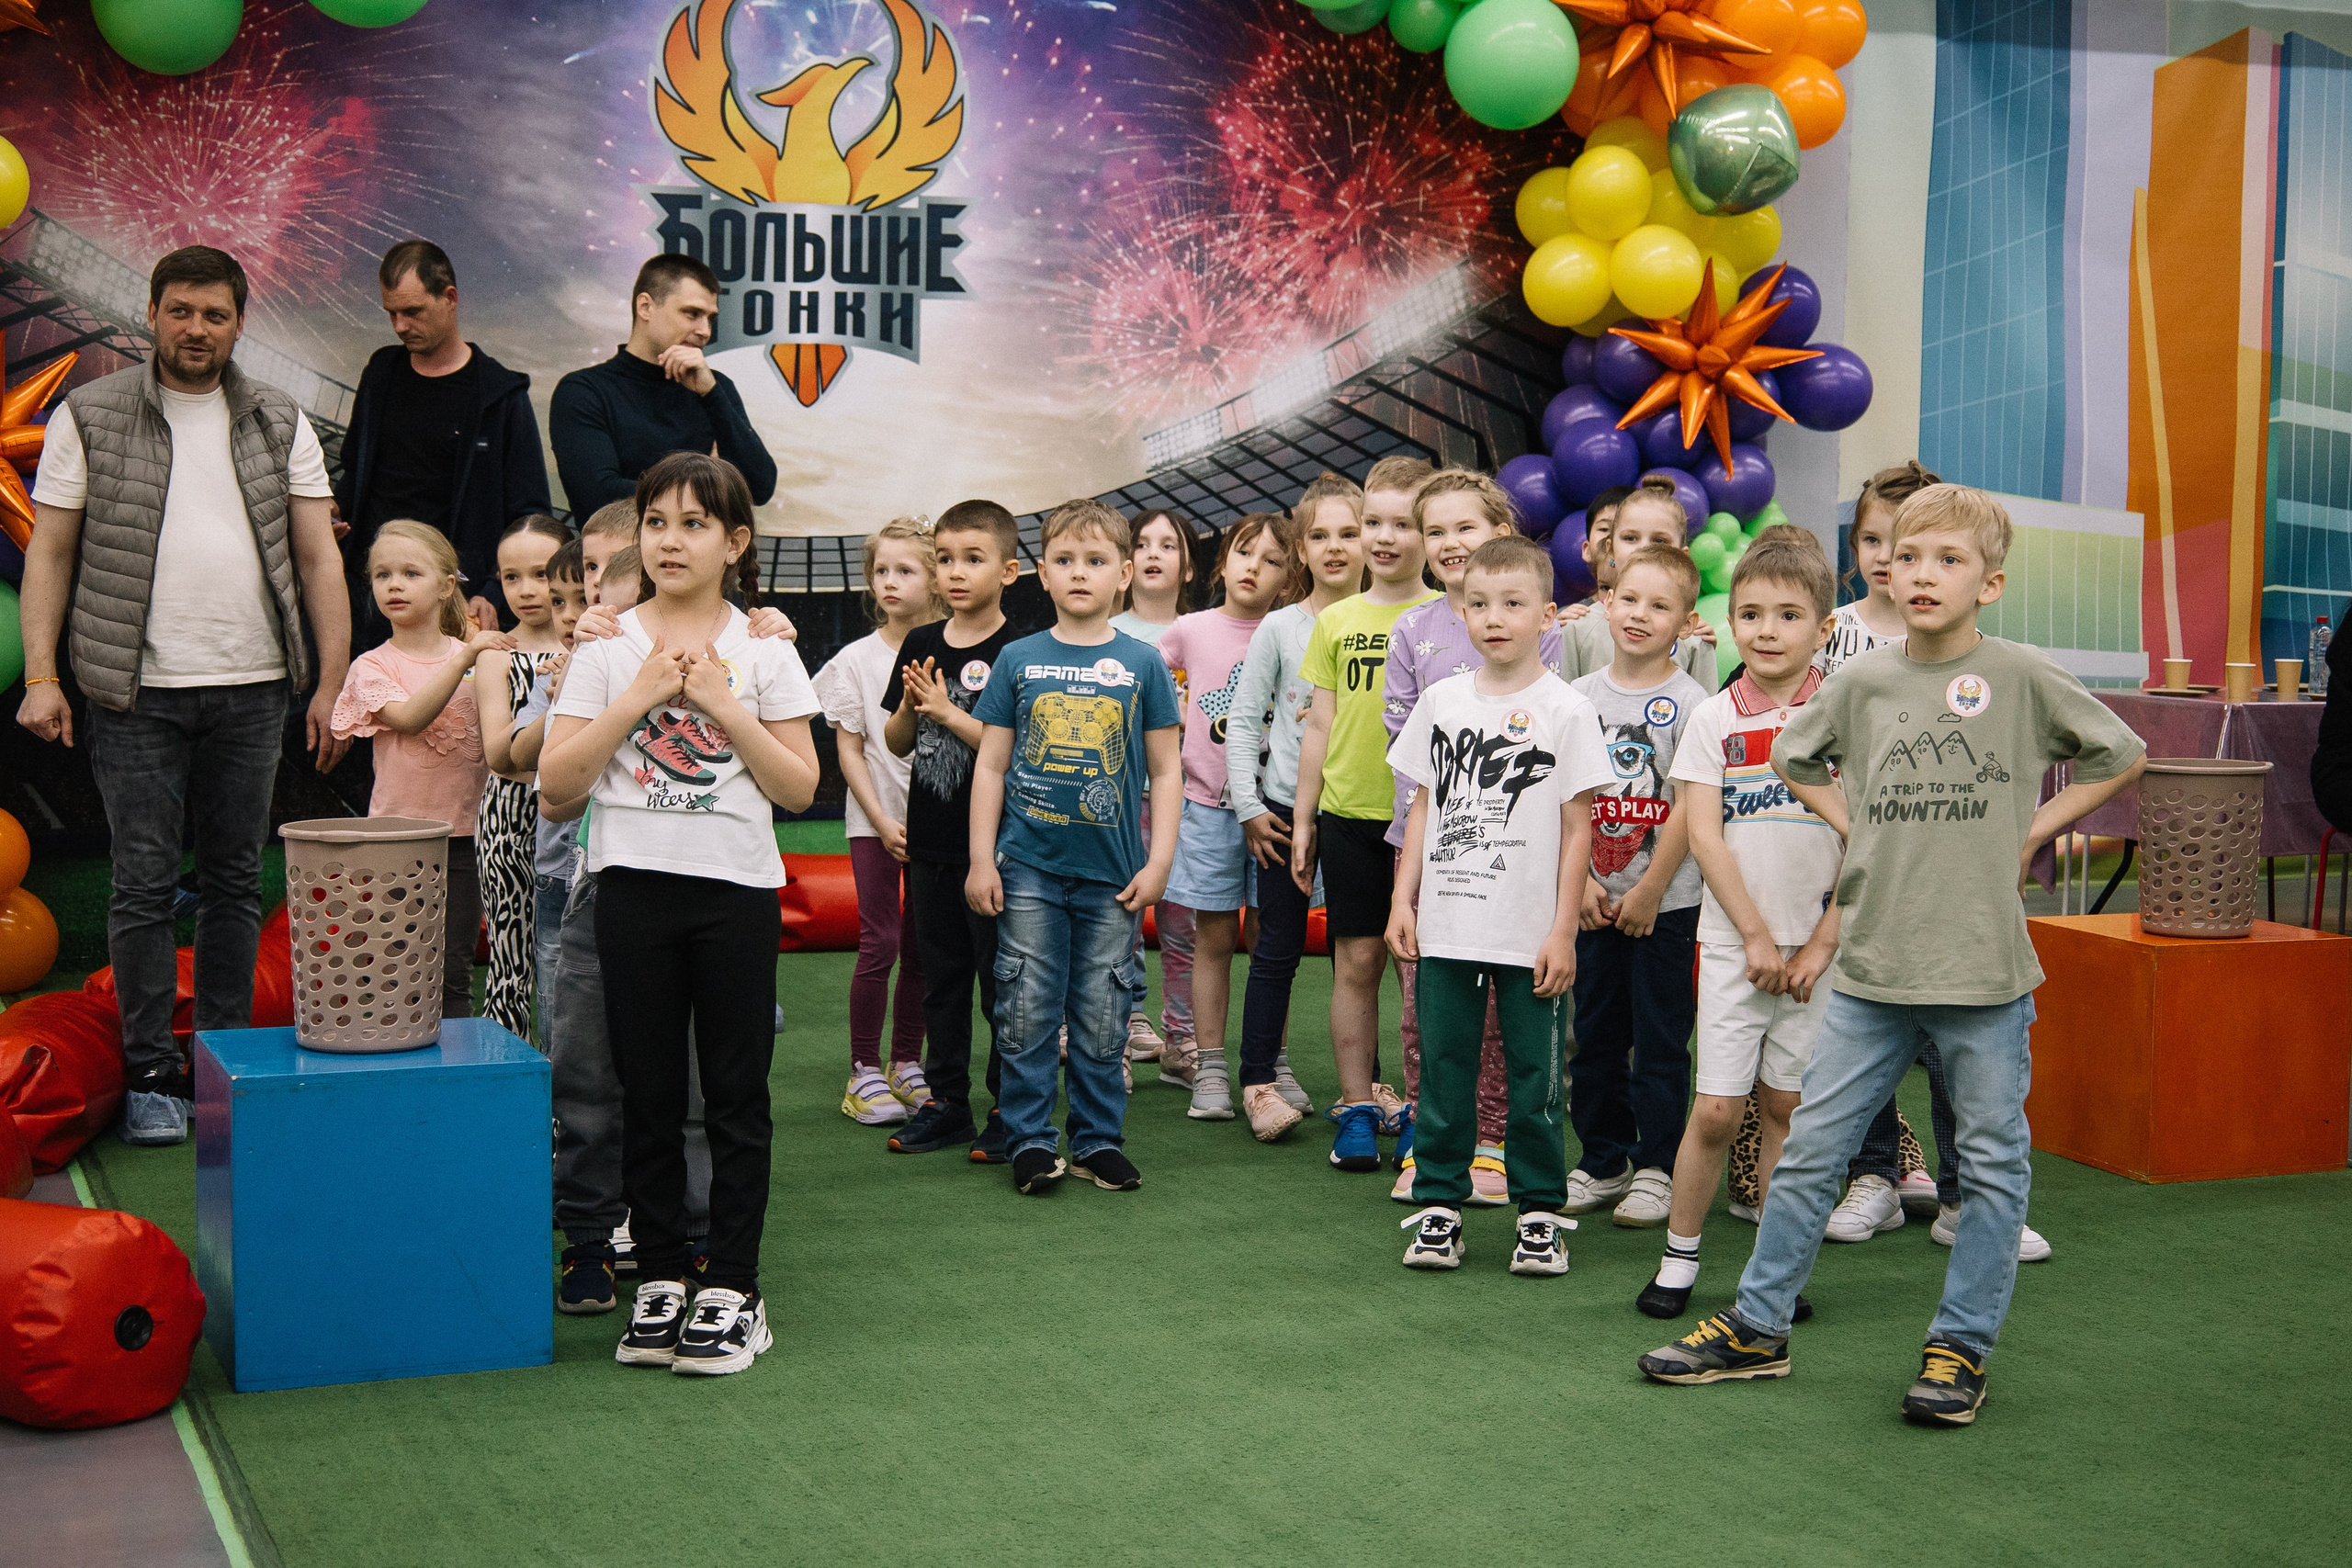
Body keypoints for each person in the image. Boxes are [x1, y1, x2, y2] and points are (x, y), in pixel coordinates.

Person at [1638, 484, 2147, 1427]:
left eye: (1948, 561)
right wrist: (1858, 825)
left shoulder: (2023, 675)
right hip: (1871, 971)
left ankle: (1960, 1349)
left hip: (1984, 971)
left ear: (1988, 583)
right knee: (1809, 1157)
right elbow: (1796, 758)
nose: (1922, 575)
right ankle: (1757, 1327)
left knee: (1992, 1168)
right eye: (1908, 557)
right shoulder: (1859, 683)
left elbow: (2119, 754)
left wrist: (2028, 832)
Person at [13, 244, 352, 1147]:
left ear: (238, 324)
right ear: (153, 314)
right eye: (181, 311)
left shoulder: (279, 418)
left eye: (214, 314)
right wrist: (42, 675)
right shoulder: (92, 413)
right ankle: (152, 1077)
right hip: (132, 694)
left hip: (253, 690)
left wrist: (333, 677)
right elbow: (49, 550)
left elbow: (320, 555)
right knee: (142, 887)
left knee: (238, 883)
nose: (196, 328)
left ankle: (224, 1067)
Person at [542, 452, 821, 1377]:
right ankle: (661, 1275)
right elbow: (555, 789)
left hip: (735, 893)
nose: (670, 539)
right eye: (656, 521)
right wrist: (636, 693)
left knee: (734, 1097)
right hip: (631, 891)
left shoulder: (768, 651)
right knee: (648, 1097)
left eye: (694, 524)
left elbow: (796, 786)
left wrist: (717, 702)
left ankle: (735, 1286)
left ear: (735, 542)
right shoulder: (605, 646)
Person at [1385, 535, 1612, 1274]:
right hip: (1448, 924)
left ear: (1547, 615)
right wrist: (1402, 899)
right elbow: (1421, 806)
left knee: (1535, 1079)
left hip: (1529, 935)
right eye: (1478, 603)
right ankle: (1441, 1208)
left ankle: (1541, 1211)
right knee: (1443, 1069)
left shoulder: (1568, 709)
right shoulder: (1444, 700)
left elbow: (1580, 829)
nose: (1494, 617)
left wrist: (1563, 929)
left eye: (1513, 603)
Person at [1637, 536, 1843, 1319]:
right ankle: (1680, 1259)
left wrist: (1821, 941)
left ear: (1821, 628)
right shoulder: (1711, 717)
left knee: (1788, 1110)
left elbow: (1868, 838)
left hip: (1818, 958)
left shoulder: (1843, 714)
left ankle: (1774, 1276)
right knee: (1718, 1111)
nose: (1766, 629)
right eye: (1750, 613)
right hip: (1733, 946)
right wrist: (1756, 935)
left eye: (1788, 615)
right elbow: (1704, 833)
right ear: (1728, 623)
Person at [967, 500, 1182, 1194]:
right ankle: (1029, 1138)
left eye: (1095, 561)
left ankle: (1096, 1139)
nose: (1079, 573)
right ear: (1041, 573)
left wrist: (1160, 862)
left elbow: (1167, 769)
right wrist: (980, 857)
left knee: (1103, 1011)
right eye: (1065, 560)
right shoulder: (1018, 660)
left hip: (1113, 875)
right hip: (1026, 866)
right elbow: (991, 764)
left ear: (1123, 574)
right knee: (1025, 1005)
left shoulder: (1143, 664)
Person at [1382, 469, 1568, 1206]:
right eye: (1436, 530)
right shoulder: (1415, 632)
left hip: (1518, 852)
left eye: (1467, 526)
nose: (1450, 542)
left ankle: (1492, 1144)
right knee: (1428, 1007)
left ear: (1503, 532)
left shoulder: (1547, 631)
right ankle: (1431, 1145)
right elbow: (1409, 739)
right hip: (1429, 844)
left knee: (1507, 1015)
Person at [1291, 454, 1439, 1173]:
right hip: (1349, 815)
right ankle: (1355, 1108)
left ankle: (1421, 1110)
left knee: (1422, 974)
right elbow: (1318, 725)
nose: (1383, 537)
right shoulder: (1337, 621)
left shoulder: (1451, 617)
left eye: (1401, 523)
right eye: (1370, 521)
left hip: (1429, 820)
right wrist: (1304, 816)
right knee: (1355, 961)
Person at [1565, 542, 1709, 1225]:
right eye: (1630, 598)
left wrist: (1651, 887)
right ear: (1606, 601)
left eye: (1661, 605)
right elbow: (1564, 800)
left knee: (1659, 1037)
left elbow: (1688, 805)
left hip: (1667, 905)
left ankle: (1657, 1164)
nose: (1641, 614)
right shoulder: (1577, 698)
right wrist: (1584, 883)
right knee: (1591, 1035)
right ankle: (1604, 1158)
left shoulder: (1693, 703)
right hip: (1589, 902)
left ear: (1686, 620)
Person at [883, 500, 1025, 1161]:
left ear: (1010, 569)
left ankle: (1008, 1107)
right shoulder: (920, 643)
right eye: (945, 559)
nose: (956, 572)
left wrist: (947, 707)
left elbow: (1016, 746)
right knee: (940, 977)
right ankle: (946, 1103)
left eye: (973, 558)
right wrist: (916, 708)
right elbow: (897, 739)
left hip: (997, 851)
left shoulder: (1021, 650)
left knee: (1002, 982)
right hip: (931, 845)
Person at [1226, 473, 1365, 1141]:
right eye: (1319, 535)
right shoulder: (1281, 627)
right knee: (1276, 947)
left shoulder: (1393, 621)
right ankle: (1258, 1079)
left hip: (1366, 817)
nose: (1335, 546)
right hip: (1283, 811)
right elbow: (1246, 715)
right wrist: (1250, 806)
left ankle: (1361, 1091)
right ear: (1300, 551)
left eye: (1349, 531)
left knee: (1359, 956)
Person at [330, 523, 512, 1020]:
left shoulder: (479, 659)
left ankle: (447, 1079)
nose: (394, 584)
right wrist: (467, 659)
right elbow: (409, 717)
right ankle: (392, 1064)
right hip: (395, 840)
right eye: (382, 575)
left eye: (411, 573)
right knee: (391, 966)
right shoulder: (372, 666)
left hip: (465, 837)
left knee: (453, 972)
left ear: (447, 585)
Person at [1155, 512, 1297, 1120]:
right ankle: (1209, 1063)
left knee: (1274, 938)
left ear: (1289, 578)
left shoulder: (1294, 630)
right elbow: (1144, 673)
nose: (1253, 567)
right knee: (1212, 935)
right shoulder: (1191, 628)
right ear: (1221, 562)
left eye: (1271, 560)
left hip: (1279, 811)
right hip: (1210, 808)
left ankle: (1272, 1061)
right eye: (1244, 553)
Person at [337, 240, 552, 635]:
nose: (400, 325)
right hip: (369, 596)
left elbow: (530, 513)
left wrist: (492, 589)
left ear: (450, 298)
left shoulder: (500, 396)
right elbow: (352, 472)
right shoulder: (381, 373)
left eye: (413, 311)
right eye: (392, 313)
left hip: (454, 604)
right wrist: (334, 517)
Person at [813, 517, 942, 1125]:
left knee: (921, 946)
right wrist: (882, 819)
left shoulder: (950, 648)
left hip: (938, 827)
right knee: (880, 941)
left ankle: (906, 1062)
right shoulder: (855, 660)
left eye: (905, 569)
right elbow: (849, 750)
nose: (889, 581)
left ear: (935, 576)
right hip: (874, 822)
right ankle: (864, 1069)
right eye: (881, 570)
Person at [548, 254, 778, 516]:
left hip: (701, 556)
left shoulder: (715, 388)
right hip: (622, 556)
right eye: (692, 314)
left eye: (710, 319)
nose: (705, 330)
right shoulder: (584, 391)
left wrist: (712, 395)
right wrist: (711, 486)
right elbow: (598, 497)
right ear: (645, 307)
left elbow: (759, 488)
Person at [472, 514, 573, 1038]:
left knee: (572, 958)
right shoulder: (495, 654)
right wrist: (554, 702)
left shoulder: (591, 644)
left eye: (541, 575)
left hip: (575, 817)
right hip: (510, 820)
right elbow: (500, 756)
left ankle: (578, 1082)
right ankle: (509, 1086)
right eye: (512, 577)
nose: (527, 590)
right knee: (511, 964)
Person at [1113, 507, 1202, 1069]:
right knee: (1114, 921)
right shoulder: (1107, 630)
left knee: (1181, 926)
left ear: (1188, 566)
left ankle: (1182, 1037)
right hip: (1114, 802)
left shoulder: (1201, 631)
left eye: (1167, 545)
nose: (1153, 553)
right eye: (1142, 543)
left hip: (1185, 801)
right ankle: (1114, 1028)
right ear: (1125, 564)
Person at [1558, 481, 1719, 691]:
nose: (1643, 548)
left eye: (1659, 541)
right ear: (1611, 548)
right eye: (1630, 538)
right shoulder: (1575, 629)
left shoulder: (1695, 638)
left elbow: (1707, 718)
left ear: (1681, 554)